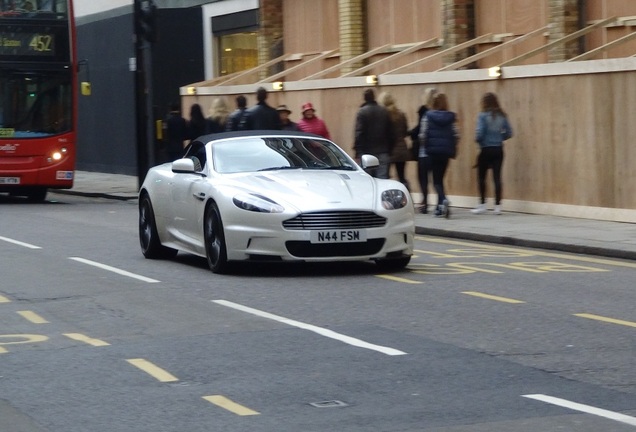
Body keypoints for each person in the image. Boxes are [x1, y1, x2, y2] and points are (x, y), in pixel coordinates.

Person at [471, 92, 513, 215]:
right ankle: (498, 206)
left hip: (485, 149)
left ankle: (482, 204)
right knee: (497, 177)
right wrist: (500, 138)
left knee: (481, 177)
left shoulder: (482, 116)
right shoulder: (502, 115)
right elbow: (509, 132)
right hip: (498, 149)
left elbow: (480, 132)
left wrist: (478, 140)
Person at [419, 92, 459, 218]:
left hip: (432, 151)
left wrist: (424, 145)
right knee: (440, 179)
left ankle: (443, 199)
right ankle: (439, 207)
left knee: (436, 181)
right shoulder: (451, 117)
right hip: (445, 153)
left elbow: (423, 134)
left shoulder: (428, 116)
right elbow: (457, 135)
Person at [354, 89, 394, 179]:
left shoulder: (362, 112)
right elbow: (391, 133)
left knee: (368, 181)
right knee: (382, 181)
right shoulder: (384, 111)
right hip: (383, 151)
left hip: (367, 153)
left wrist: (358, 152)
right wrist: (389, 150)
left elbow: (359, 133)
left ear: (364, 98)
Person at [410, 87, 438, 213]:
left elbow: (421, 131)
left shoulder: (424, 112)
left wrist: (411, 133)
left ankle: (425, 203)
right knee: (437, 179)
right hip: (437, 151)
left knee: (423, 178)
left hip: (424, 152)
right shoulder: (441, 112)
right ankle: (440, 202)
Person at [378, 91, 410, 189]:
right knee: (401, 176)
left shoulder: (383, 115)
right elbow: (405, 131)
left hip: (389, 150)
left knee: (385, 176)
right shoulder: (401, 114)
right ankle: (406, 193)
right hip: (402, 149)